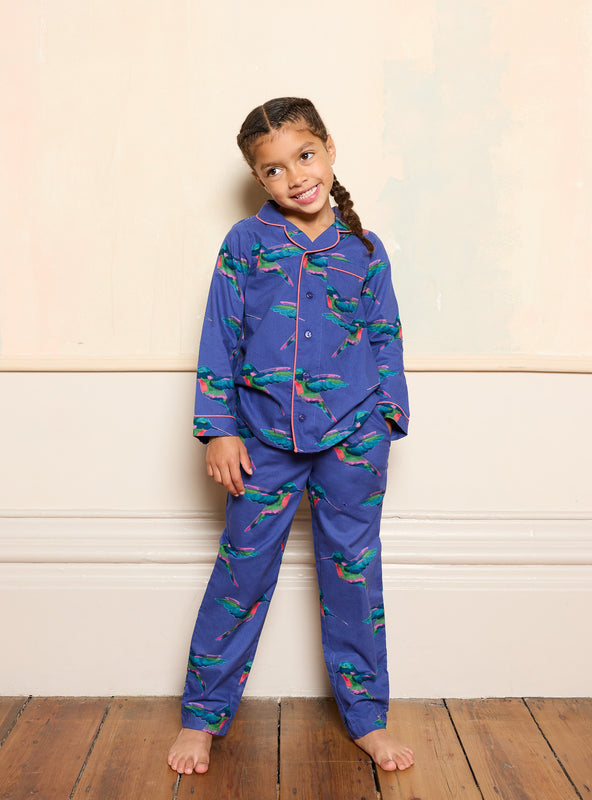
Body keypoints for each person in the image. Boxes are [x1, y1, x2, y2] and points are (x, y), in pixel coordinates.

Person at [168, 97, 414, 775]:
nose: (295, 177)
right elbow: (220, 337)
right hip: (262, 439)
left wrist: (388, 417)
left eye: (304, 157)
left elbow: (386, 337)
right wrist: (217, 430)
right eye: (273, 170)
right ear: (259, 180)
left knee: (353, 581)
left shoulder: (365, 251)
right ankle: (201, 716)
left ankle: (367, 717)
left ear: (329, 149)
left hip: (354, 440)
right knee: (240, 573)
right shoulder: (246, 245)